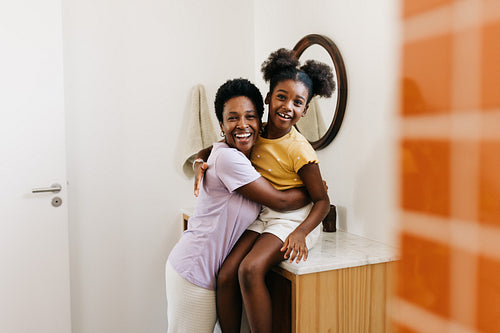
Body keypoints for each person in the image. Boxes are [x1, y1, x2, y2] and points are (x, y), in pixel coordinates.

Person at [194, 48, 335, 333]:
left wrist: (300, 233)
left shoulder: (300, 149)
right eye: (281, 97)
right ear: (268, 99)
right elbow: (216, 146)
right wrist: (200, 159)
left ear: (305, 110)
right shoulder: (256, 131)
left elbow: (322, 200)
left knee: (250, 269)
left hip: (293, 220)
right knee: (225, 275)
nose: (288, 106)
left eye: (298, 102)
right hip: (265, 214)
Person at [165, 78, 311, 333]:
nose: (242, 125)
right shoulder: (230, 159)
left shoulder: (238, 153)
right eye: (232, 118)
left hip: (199, 268)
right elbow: (281, 200)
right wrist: (315, 191)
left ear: (260, 121)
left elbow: (208, 151)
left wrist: (201, 157)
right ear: (221, 125)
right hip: (194, 273)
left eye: (250, 117)